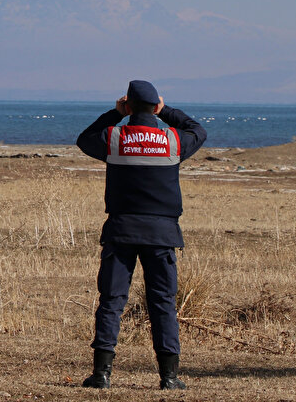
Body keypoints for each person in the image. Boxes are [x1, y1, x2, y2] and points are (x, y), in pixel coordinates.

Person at [75, 80, 207, 390]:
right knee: (162, 304)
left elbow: (84, 139)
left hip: (121, 233)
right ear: (155, 106)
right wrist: (168, 112)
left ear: (129, 105)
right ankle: (169, 377)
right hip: (162, 235)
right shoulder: (172, 141)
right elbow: (198, 131)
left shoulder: (115, 138)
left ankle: (102, 375)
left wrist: (114, 114)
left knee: (111, 301)